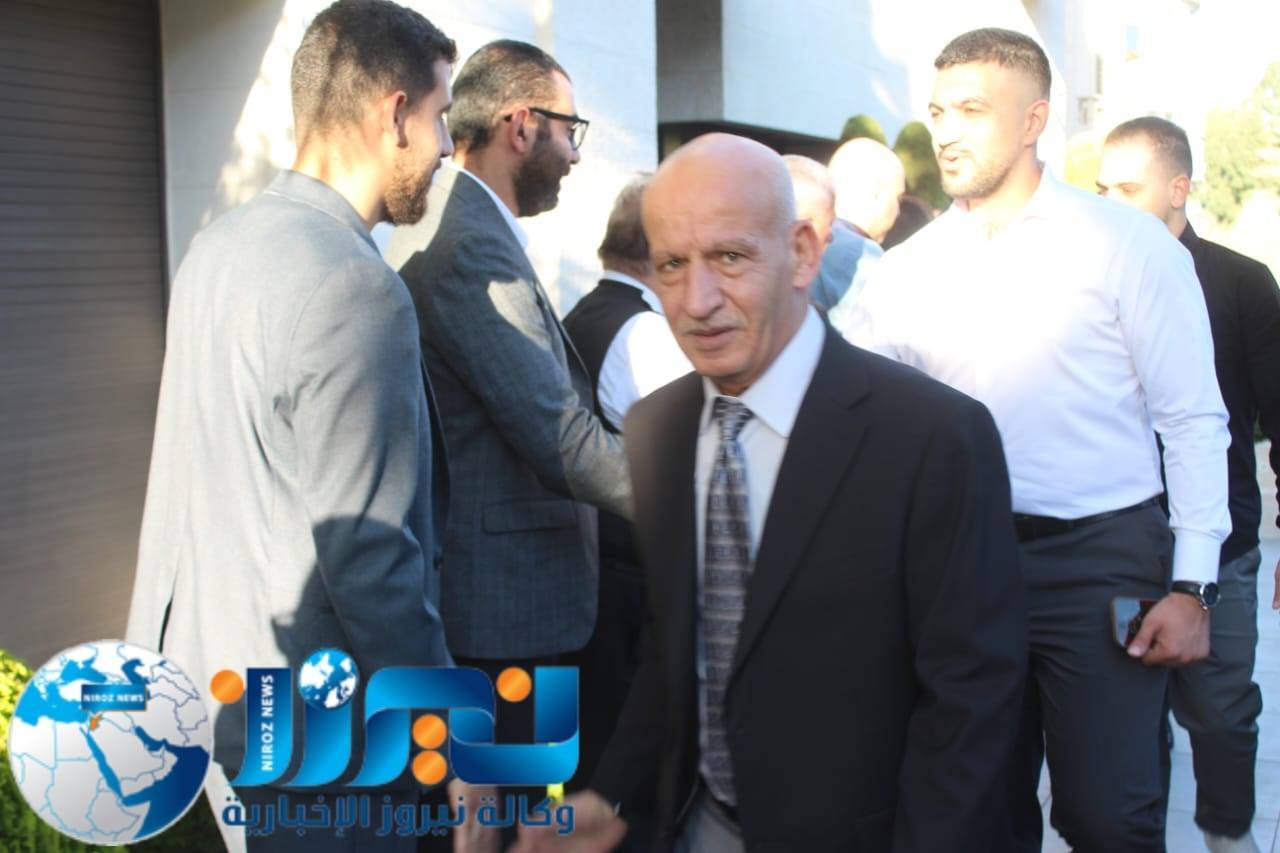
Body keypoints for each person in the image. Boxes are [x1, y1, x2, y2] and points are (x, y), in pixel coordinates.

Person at [516, 133, 1028, 853]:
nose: (698, 301)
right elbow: (675, 650)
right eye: (672, 265)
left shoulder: (934, 438)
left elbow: (972, 701)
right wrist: (613, 795)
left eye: (730, 257)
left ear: (804, 253)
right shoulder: (657, 430)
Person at [846, 28, 1232, 852]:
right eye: (939, 112)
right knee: (974, 812)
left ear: (1034, 120)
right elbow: (862, 420)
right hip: (958, 564)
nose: (947, 132)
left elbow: (1194, 418)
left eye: (972, 110)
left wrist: (1192, 586)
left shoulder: (1127, 245)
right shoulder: (905, 270)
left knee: (1110, 815)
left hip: (1104, 559)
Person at [124, 2, 457, 850]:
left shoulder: (216, 247)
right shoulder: (357, 285)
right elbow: (370, 555)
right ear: (394, 116)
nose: (450, 146)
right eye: (442, 116)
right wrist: (452, 734)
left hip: (200, 719)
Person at [383, 40, 630, 748]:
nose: (575, 155)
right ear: (522, 126)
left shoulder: (460, 221)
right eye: (570, 130)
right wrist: (692, 493)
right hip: (506, 618)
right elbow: (560, 438)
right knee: (509, 801)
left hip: (501, 609)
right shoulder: (469, 241)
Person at [1098, 115, 1280, 853]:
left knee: (1221, 711)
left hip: (1222, 548)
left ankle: (1227, 838)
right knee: (1129, 723)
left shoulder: (1240, 283)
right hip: (1117, 545)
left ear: (1178, 188)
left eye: (1127, 189)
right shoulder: (1091, 282)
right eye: (1102, 189)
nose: (1110, 204)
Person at [561, 176, 689, 849]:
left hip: (595, 577)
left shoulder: (584, 312)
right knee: (623, 782)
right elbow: (688, 457)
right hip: (627, 588)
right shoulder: (644, 333)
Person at [821, 138, 905, 331]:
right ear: (876, 194)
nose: (898, 211)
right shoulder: (863, 254)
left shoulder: (799, 237)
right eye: (898, 198)